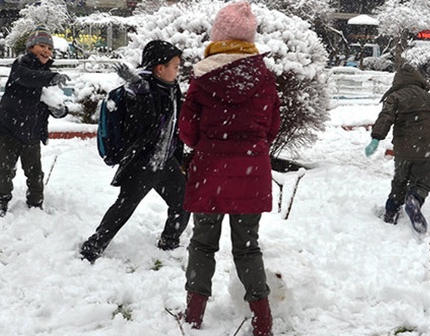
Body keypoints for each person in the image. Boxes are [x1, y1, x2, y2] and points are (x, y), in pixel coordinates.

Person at [178, 2, 280, 335]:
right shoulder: (264, 79)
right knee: (248, 247)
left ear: (218, 37)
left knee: (202, 244)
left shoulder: (203, 77)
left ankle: (193, 315)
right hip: (251, 173)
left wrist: (212, 143)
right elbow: (272, 127)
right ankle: (262, 320)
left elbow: (188, 132)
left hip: (210, 172)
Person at [79, 40, 190, 263]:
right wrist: (141, 94)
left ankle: (170, 241)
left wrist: (178, 157)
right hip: (143, 163)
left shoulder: (171, 88)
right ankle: (93, 246)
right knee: (125, 205)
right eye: (175, 67)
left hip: (166, 161)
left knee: (183, 200)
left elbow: (175, 126)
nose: (178, 72)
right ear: (160, 68)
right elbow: (143, 126)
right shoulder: (139, 90)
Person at [0, 26, 70, 217]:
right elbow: (28, 78)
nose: (46, 51)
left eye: (50, 48)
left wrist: (59, 110)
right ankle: (2, 199)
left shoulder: (47, 74)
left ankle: (35, 202)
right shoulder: (21, 65)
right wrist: (51, 78)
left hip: (31, 132)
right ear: (31, 48)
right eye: (42, 46)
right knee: (5, 170)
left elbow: (53, 101)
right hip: (8, 128)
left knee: (35, 172)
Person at [365, 63, 430, 233]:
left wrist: (376, 138)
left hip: (403, 149)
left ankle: (391, 211)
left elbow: (385, 117)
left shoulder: (395, 97)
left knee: (400, 181)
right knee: (422, 181)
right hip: (426, 149)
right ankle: (414, 200)